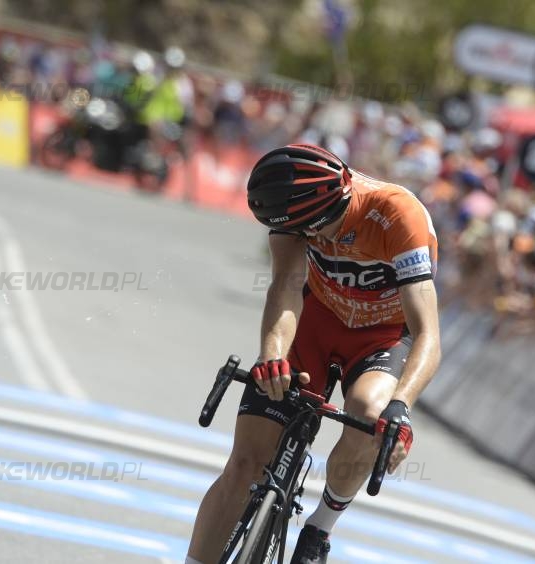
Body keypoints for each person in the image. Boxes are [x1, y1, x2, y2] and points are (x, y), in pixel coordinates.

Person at [186, 144, 441, 563]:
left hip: (383, 335)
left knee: (367, 410)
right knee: (245, 462)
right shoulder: (290, 206)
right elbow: (286, 284)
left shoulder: (397, 215)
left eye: (312, 232)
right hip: (317, 322)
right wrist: (272, 356)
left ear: (326, 213)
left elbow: (428, 332)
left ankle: (320, 528)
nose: (311, 241)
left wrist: (401, 408)